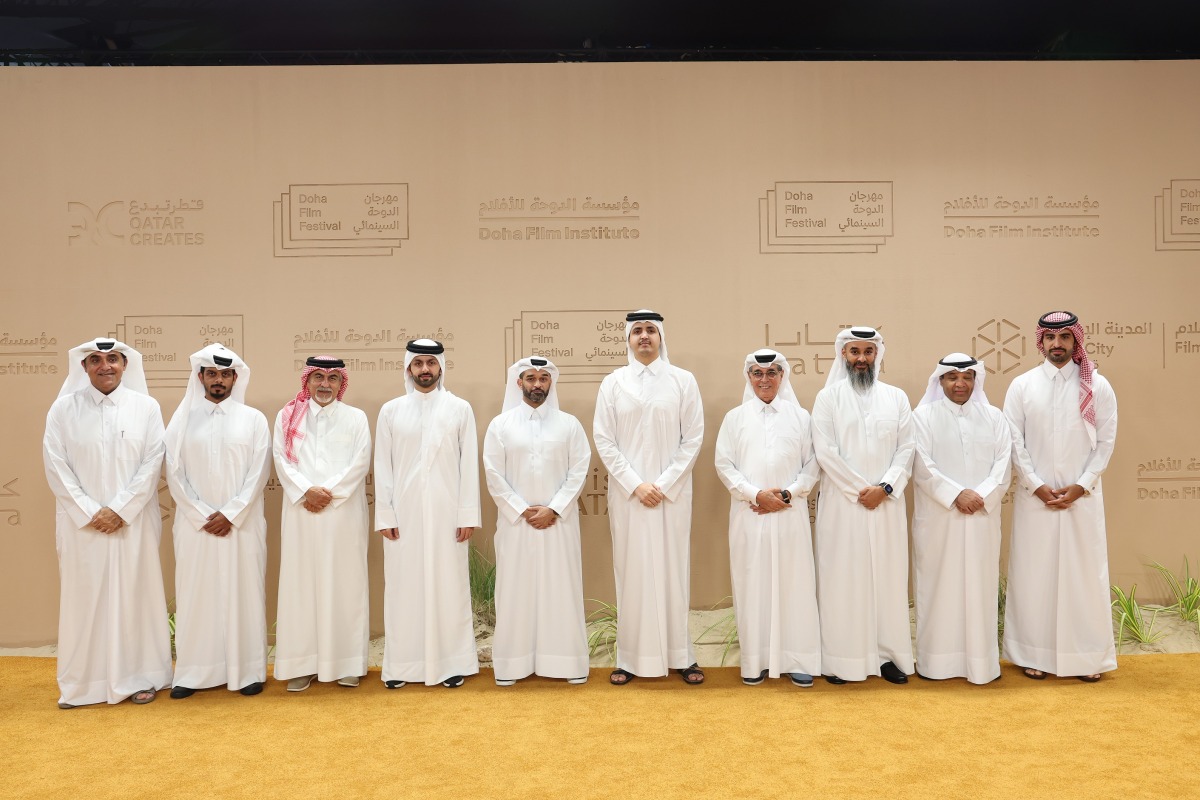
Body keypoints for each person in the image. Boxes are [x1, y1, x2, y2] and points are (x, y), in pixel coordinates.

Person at [43, 337, 172, 708]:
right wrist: (90, 511)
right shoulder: (63, 410)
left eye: (113, 358)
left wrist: (119, 510)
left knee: (136, 596)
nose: (105, 366)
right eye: (96, 360)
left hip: (133, 522)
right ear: (84, 367)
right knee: (85, 600)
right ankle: (83, 685)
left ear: (125, 365)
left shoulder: (146, 408)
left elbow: (153, 462)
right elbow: (55, 464)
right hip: (81, 526)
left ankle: (142, 678)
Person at [1003, 311, 1118, 682]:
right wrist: (1035, 484)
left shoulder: (1097, 386)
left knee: (1082, 578)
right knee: (1035, 576)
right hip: (1034, 498)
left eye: (1065, 337)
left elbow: (1106, 442)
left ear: (1075, 341)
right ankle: (1033, 655)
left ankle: (1086, 658)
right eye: (1051, 338)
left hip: (1082, 499)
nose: (1057, 344)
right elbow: (1013, 442)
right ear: (1041, 341)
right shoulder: (1022, 386)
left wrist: (1081, 485)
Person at [593, 310, 704, 686]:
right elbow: (604, 439)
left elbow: (693, 437)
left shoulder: (683, 381)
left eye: (651, 330)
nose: (644, 336)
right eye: (637, 330)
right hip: (630, 497)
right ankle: (630, 658)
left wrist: (664, 483)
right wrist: (636, 484)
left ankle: (682, 657)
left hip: (672, 496)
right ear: (628, 338)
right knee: (632, 572)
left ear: (661, 337)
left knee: (674, 572)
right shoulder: (613, 383)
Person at [164, 344, 271, 699]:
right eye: (212, 374)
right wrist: (201, 514)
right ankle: (193, 674)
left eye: (225, 374)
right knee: (196, 595)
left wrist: (231, 514)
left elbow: (259, 472)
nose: (219, 380)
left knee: (244, 594)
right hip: (195, 526)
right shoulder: (182, 420)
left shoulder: (254, 419)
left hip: (242, 525)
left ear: (235, 378)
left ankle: (248, 672)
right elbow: (173, 473)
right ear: (201, 377)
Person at [810, 326, 915, 685]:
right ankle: (842, 659)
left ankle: (887, 657)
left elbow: (907, 448)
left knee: (887, 579)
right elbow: (825, 451)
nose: (861, 359)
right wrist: (861, 490)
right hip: (844, 506)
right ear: (843, 354)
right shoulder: (828, 399)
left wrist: (885, 488)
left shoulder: (896, 398)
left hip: (886, 504)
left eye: (868, 352)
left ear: (877, 355)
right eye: (854, 352)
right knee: (843, 579)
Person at [375, 339, 481, 688]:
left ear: (440, 367)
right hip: (403, 517)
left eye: (430, 363)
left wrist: (467, 514)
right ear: (409, 367)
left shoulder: (459, 408)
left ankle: (451, 665)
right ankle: (402, 667)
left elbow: (468, 465)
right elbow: (383, 466)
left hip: (448, 514)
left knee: (449, 586)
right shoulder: (391, 411)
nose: (425, 369)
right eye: (418, 363)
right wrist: (386, 515)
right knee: (403, 588)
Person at [714, 349, 821, 687]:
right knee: (753, 584)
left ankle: (798, 660)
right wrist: (755, 494)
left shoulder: (800, 417)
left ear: (782, 376)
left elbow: (813, 464)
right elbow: (724, 465)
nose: (764, 379)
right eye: (757, 373)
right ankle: (755, 661)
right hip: (749, 514)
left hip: (791, 513)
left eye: (771, 372)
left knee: (795, 584)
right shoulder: (734, 418)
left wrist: (788, 494)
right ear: (748, 377)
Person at [483, 357, 591, 686]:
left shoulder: (569, 425)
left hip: (559, 524)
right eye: (531, 378)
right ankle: (513, 666)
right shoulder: (500, 425)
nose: (537, 384)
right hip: (516, 525)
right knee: (515, 591)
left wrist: (554, 509)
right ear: (519, 383)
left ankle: (565, 664)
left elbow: (579, 470)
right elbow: (493, 474)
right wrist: (521, 509)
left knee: (561, 590)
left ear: (550, 383)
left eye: (544, 378)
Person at [272, 355, 371, 692]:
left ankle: (346, 663)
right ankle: (301, 665)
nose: (325, 384)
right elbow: (281, 460)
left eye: (332, 378)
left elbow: (360, 462)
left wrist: (328, 494)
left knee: (345, 584)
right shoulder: (287, 417)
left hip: (343, 515)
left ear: (341, 383)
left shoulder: (356, 418)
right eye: (318, 377)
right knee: (300, 586)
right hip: (301, 512)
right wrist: (306, 492)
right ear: (307, 381)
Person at [911, 354, 1011, 684]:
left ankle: (980, 665)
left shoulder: (994, 417)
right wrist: (957, 495)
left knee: (980, 587)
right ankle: (936, 664)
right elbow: (922, 466)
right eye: (952, 377)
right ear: (940, 380)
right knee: (939, 587)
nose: (960, 384)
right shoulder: (922, 417)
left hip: (981, 516)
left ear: (975, 380)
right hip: (940, 519)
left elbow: (1004, 465)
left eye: (967, 377)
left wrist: (980, 495)